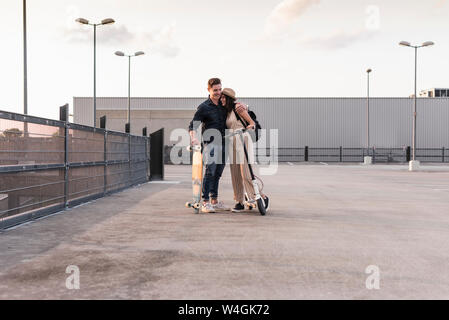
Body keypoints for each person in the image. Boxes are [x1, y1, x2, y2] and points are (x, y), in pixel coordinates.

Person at [188, 78, 247, 213]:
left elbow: (236, 108)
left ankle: (214, 201)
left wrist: (243, 106)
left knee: (218, 173)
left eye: (220, 89)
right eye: (215, 90)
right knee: (210, 171)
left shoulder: (223, 104)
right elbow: (193, 125)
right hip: (211, 144)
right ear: (208, 90)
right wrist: (194, 138)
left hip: (225, 143)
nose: (218, 92)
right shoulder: (204, 107)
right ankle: (205, 202)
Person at [221, 88, 269, 212]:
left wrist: (251, 125)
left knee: (246, 171)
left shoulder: (238, 107)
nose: (221, 99)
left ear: (229, 99)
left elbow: (251, 122)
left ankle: (259, 196)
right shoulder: (226, 111)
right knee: (235, 172)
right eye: (221, 97)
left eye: (224, 97)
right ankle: (239, 201)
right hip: (231, 140)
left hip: (243, 138)